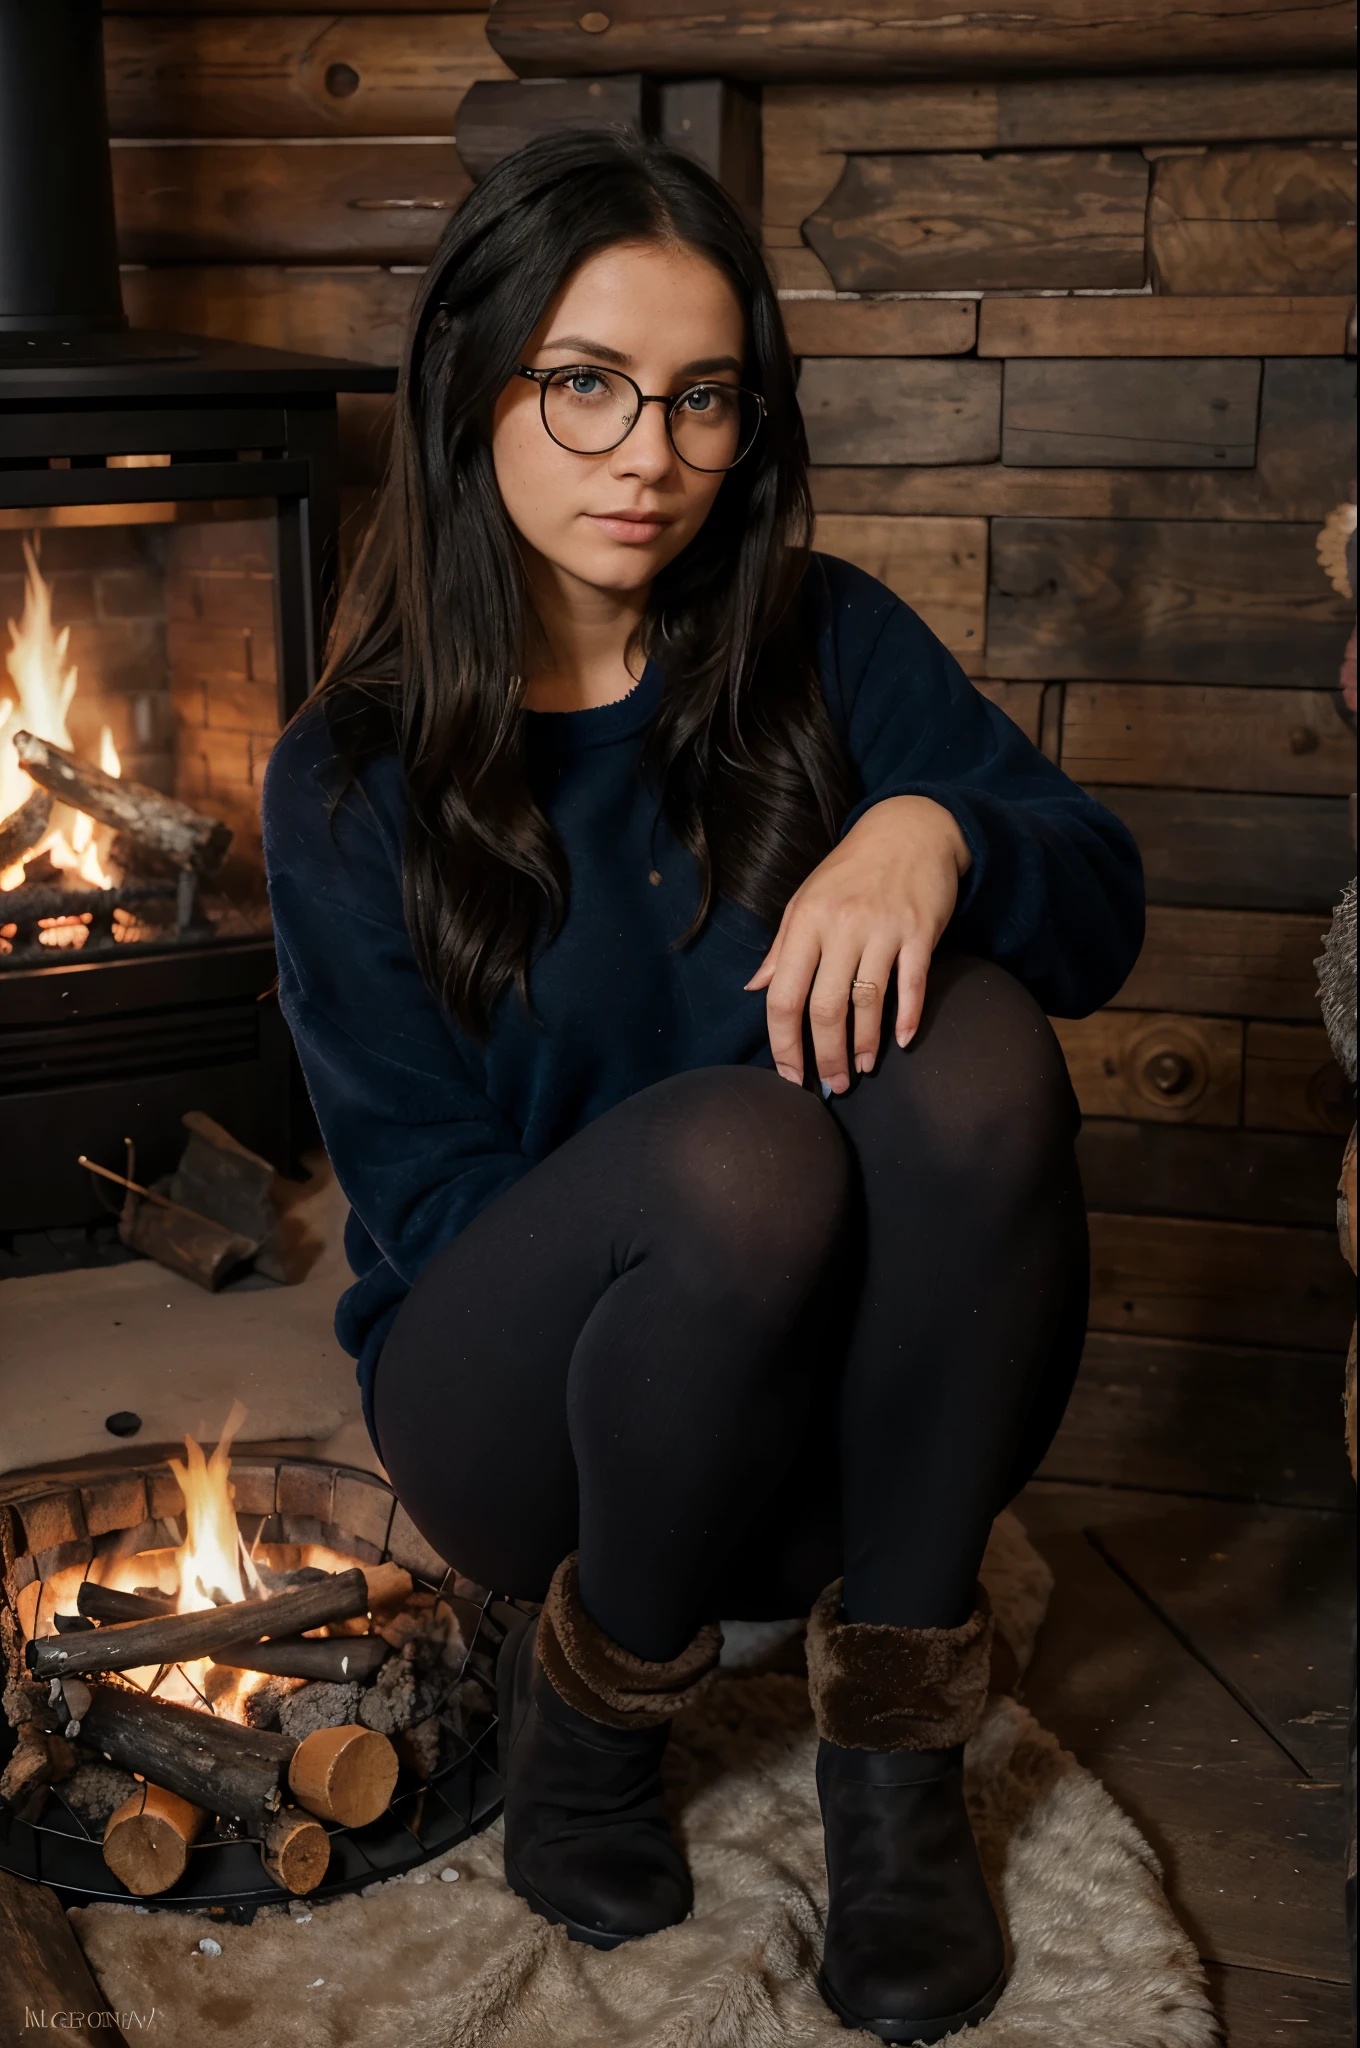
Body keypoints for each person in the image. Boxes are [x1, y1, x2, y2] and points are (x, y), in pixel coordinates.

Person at [262, 130, 1143, 2046]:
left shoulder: (826, 645)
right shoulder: (351, 776)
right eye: (583, 385)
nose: (645, 455)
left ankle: (895, 1763)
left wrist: (934, 827)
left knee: (979, 1022)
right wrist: (709, 1224)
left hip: (844, 1453)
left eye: (701, 399)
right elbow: (424, 1197)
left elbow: (1100, 915)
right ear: (474, 386)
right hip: (541, 1445)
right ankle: (591, 1706)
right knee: (746, 1156)